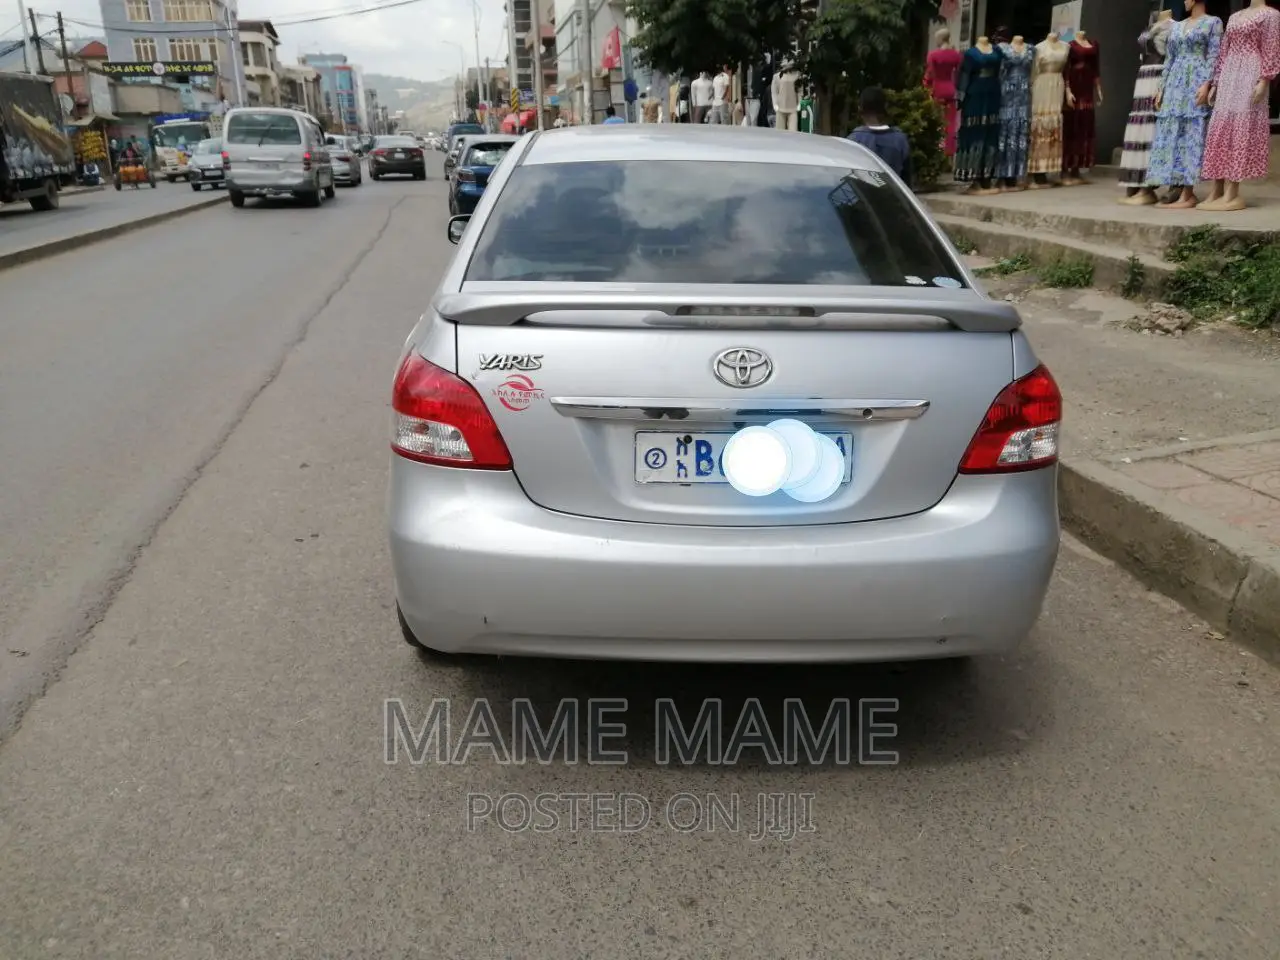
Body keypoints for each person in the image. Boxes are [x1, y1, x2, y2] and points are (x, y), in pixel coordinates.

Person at [847, 87, 913, 184]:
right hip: (894, 197)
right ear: (885, 107)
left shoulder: (853, 141)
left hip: (865, 197)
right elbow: (907, 180)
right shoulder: (900, 140)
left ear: (860, 108)